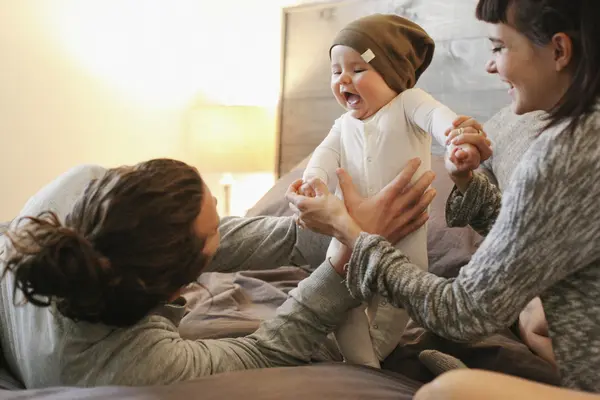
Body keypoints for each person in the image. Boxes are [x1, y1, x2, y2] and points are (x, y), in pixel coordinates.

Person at [288, 0, 600, 392]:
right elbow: (534, 234)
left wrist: (353, 234)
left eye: (499, 47)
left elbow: (462, 313)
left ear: (558, 50)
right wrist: (466, 182)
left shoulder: (565, 154)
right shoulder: (581, 140)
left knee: (445, 393)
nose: (490, 65)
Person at [0, 158, 434, 388]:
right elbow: (265, 352)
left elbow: (225, 236)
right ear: (183, 282)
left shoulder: (80, 185)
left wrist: (341, 228)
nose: (221, 228)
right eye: (211, 231)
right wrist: (344, 263)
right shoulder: (127, 365)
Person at [299, 13, 484, 368]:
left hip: (403, 241)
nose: (344, 79)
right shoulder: (343, 125)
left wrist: (454, 135)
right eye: (336, 71)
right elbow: (323, 154)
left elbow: (436, 116)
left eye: (358, 69)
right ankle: (364, 367)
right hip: (347, 235)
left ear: (393, 74)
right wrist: (313, 180)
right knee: (341, 302)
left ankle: (366, 360)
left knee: (394, 308)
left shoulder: (408, 103)